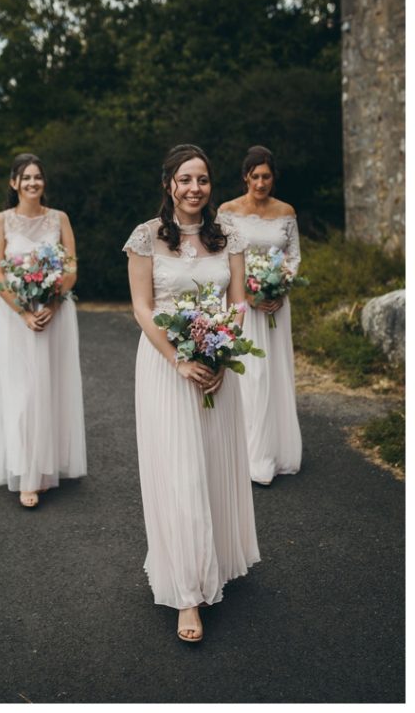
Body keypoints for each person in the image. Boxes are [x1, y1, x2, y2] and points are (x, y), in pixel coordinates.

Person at [123, 144, 259, 642]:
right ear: (169, 185)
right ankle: (186, 593)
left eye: (202, 179)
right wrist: (180, 358)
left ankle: (213, 560)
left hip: (218, 367)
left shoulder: (231, 237)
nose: (194, 188)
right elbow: (141, 307)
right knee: (178, 471)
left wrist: (220, 355)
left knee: (211, 462)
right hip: (166, 366)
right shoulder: (145, 238)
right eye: (185, 179)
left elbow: (238, 302)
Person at [0, 153, 87, 509]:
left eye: (37, 177)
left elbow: (70, 269)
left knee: (49, 386)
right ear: (14, 183)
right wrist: (25, 311)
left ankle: (45, 467)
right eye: (25, 178)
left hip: (55, 312)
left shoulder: (60, 219)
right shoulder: (1, 221)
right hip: (14, 316)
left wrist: (53, 304)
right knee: (21, 392)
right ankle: (26, 471)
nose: (32, 183)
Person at [217, 146, 303, 484]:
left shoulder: (286, 212)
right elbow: (222, 256)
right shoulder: (227, 211)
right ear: (245, 177)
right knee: (249, 376)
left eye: (267, 176)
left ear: (273, 178)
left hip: (275, 308)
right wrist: (248, 294)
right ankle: (246, 454)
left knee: (274, 373)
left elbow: (293, 257)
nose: (261, 182)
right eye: (255, 176)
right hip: (242, 305)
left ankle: (274, 450)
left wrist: (280, 288)